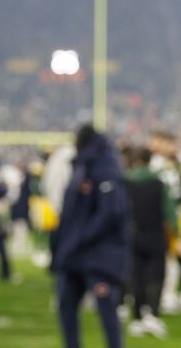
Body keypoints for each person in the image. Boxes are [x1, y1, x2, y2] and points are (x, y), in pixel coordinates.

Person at [51, 125, 129, 348]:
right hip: (76, 254)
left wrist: (79, 239)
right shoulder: (82, 166)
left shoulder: (106, 167)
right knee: (66, 307)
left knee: (106, 312)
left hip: (100, 256)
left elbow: (110, 213)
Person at [123, 146, 173, 339]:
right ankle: (152, 314)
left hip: (132, 236)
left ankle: (136, 318)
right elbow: (169, 212)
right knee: (157, 277)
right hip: (155, 235)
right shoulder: (159, 183)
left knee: (135, 277)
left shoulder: (125, 182)